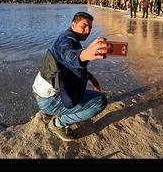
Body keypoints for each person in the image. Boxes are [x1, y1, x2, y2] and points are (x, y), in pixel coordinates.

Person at [32, 12, 109, 141]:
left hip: (42, 95)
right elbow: (69, 55)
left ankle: (48, 114)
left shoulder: (67, 36)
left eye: (90, 28)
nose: (87, 31)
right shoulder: (67, 41)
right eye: (84, 26)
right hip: (49, 101)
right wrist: (85, 55)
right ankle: (57, 125)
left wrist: (89, 76)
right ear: (73, 25)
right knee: (100, 101)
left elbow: (65, 64)